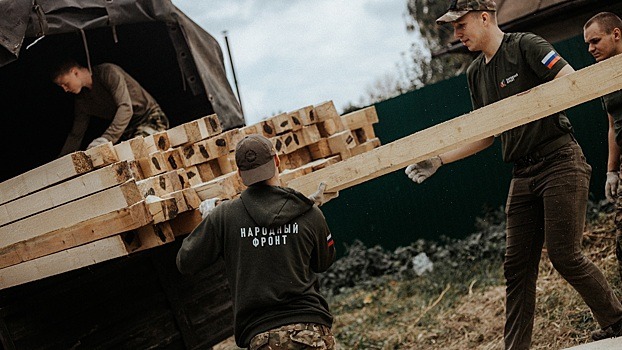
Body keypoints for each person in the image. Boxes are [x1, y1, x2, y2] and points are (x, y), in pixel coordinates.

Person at [405, 1, 622, 348]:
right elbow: (486, 134)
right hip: (522, 173)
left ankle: (617, 322)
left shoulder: (525, 46)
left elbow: (570, 81)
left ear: (484, 17)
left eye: (460, 26)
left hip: (559, 159)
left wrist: (528, 106)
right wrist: (439, 159)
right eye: (453, 28)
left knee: (565, 254)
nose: (456, 34)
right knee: (516, 267)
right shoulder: (475, 73)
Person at [176, 134, 338, 349]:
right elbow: (324, 262)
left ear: (239, 174)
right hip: (311, 331)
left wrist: (210, 226)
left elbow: (185, 262)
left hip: (263, 337)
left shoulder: (224, 216)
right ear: (277, 161)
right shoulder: (309, 212)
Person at [51, 59, 169, 156]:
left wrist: (106, 139)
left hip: (149, 119)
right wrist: (62, 161)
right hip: (127, 130)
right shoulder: (82, 100)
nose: (65, 89)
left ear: (75, 72)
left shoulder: (107, 72)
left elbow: (126, 108)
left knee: (139, 152)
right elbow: (76, 134)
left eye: (65, 84)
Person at [583, 12, 622, 281]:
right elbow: (612, 125)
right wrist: (612, 171)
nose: (590, 48)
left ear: (616, 35)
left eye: (595, 41)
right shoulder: (605, 75)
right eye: (588, 43)